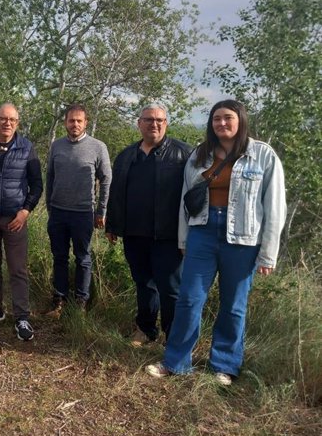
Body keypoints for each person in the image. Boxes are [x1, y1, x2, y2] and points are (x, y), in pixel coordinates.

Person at [146, 99, 286, 385]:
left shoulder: (262, 155)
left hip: (243, 239)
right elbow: (186, 199)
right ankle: (176, 362)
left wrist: (268, 254)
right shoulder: (200, 155)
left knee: (234, 304)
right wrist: (184, 239)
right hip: (203, 232)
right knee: (189, 299)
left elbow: (275, 207)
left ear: (240, 120)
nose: (222, 123)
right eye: (216, 119)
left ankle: (224, 365)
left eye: (228, 118)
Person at [105, 104, 191, 345]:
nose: (155, 124)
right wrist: (112, 224)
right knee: (143, 283)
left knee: (171, 288)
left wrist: (191, 232)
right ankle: (146, 330)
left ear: (166, 123)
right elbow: (116, 191)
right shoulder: (126, 155)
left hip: (168, 236)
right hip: (134, 233)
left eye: (160, 120)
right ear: (139, 123)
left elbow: (195, 195)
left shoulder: (184, 154)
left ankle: (172, 336)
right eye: (149, 120)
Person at [0, 103, 43, 341]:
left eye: (12, 120)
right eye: (3, 118)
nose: (7, 123)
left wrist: (25, 211)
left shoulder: (26, 147)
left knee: (18, 269)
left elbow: (37, 185)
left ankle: (22, 316)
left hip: (16, 218)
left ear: (17, 122)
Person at [45, 103, 111, 315]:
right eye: (71, 120)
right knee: (59, 257)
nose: (74, 124)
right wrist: (49, 206)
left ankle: (81, 302)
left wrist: (101, 211)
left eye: (79, 120)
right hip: (58, 211)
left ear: (86, 123)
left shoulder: (97, 147)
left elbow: (106, 179)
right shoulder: (57, 146)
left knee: (83, 258)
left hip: (83, 213)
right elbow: (50, 177)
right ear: (65, 122)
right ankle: (59, 300)